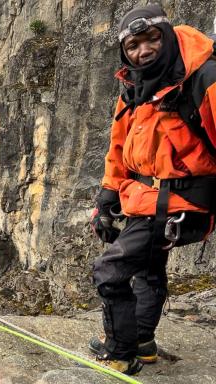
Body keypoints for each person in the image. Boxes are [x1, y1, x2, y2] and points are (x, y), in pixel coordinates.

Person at [89, 4, 216, 375]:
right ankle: (142, 340)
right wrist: (108, 195)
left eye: (151, 40)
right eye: (133, 45)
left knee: (109, 271)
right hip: (146, 199)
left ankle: (121, 352)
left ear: (169, 37)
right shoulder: (134, 85)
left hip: (186, 200)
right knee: (146, 268)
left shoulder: (204, 78)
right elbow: (119, 146)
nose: (142, 51)